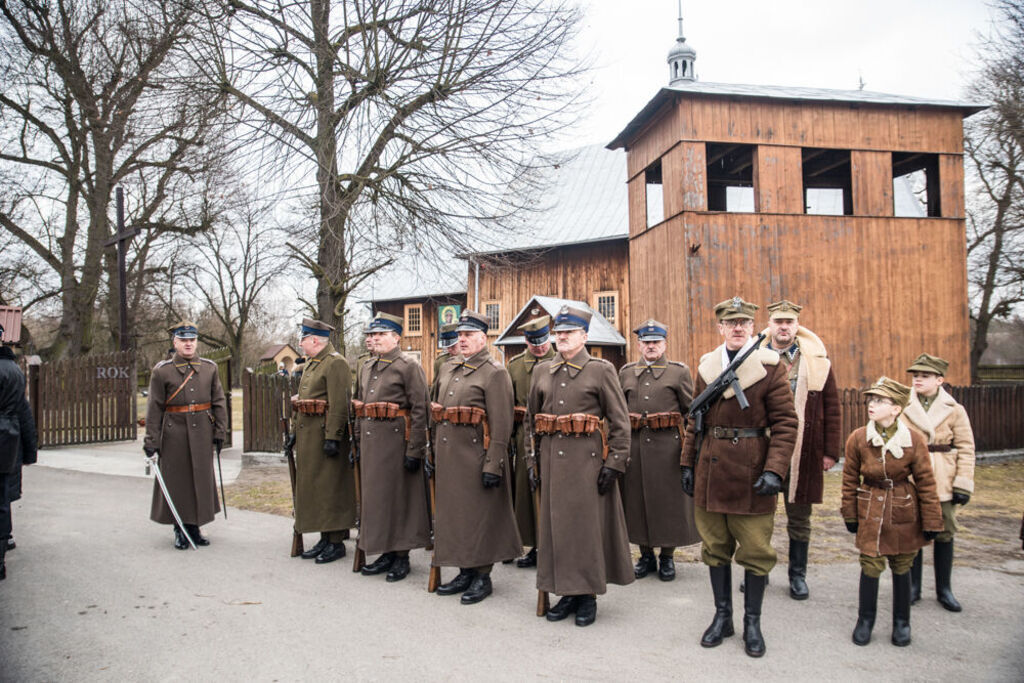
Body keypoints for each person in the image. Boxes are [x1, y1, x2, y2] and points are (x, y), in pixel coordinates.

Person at [680, 296, 798, 658]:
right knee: (714, 549)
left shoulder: (770, 366)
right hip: (711, 470)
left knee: (756, 552)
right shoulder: (707, 366)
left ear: (752, 327)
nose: (736, 328)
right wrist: (687, 463)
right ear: (720, 328)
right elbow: (693, 421)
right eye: (730, 323)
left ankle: (752, 623)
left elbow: (785, 424)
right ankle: (723, 617)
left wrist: (775, 470)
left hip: (753, 473)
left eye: (743, 323)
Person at [526, 305, 633, 627]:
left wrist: (614, 462)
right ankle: (565, 592)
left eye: (568, 333)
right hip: (550, 461)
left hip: (587, 463)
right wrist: (532, 460)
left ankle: (586, 595)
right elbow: (532, 421)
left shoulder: (601, 370)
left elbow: (619, 421)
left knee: (584, 531)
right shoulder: (542, 371)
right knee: (557, 531)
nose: (561, 338)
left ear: (584, 336)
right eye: (558, 333)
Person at [841, 377, 943, 647]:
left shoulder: (914, 440)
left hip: (903, 507)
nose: (872, 405)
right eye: (871, 400)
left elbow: (926, 482)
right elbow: (849, 479)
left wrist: (932, 519)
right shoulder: (859, 438)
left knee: (902, 564)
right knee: (870, 564)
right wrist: (850, 513)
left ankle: (902, 622)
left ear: (896, 408)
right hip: (870, 505)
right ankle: (865, 620)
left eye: (879, 401)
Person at [429, 310, 521, 603]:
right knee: (456, 517)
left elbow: (502, 422)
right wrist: (431, 450)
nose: (463, 339)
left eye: (468, 335)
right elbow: (437, 413)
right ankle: (465, 569)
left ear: (484, 338)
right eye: (460, 335)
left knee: (480, 517)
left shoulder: (495, 372)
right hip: (449, 455)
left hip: (476, 457)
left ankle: (482, 575)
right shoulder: (448, 368)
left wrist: (494, 462)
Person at [756, 300, 841, 600]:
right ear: (769, 324)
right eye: (778, 321)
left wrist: (830, 451)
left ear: (796, 326)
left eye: (788, 322)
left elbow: (831, 407)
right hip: (762, 448)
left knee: (800, 517)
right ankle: (758, 572)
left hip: (802, 451)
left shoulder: (816, 361)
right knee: (758, 515)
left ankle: (797, 575)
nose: (783, 327)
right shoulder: (755, 356)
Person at [353, 312, 431, 582]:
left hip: (398, 443)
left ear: (396, 337)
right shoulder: (366, 367)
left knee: (400, 501)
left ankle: (401, 555)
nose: (373, 339)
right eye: (371, 335)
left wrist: (415, 449)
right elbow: (359, 407)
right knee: (378, 501)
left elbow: (421, 409)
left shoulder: (407, 366)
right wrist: (358, 439)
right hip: (372, 442)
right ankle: (385, 550)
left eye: (380, 334)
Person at [618, 319, 697, 582]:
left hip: (668, 448)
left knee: (668, 504)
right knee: (636, 501)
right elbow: (616, 411)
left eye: (656, 342)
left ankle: (667, 557)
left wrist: (688, 447)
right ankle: (646, 556)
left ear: (664, 344)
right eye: (646, 342)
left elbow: (691, 411)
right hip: (635, 446)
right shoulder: (626, 373)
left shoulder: (679, 373)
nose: (651, 346)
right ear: (639, 345)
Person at [143, 320, 228, 549]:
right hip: (174, 433)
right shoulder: (162, 371)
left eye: (192, 340)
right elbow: (154, 408)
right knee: (178, 482)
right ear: (175, 342)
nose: (189, 344)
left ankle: (195, 526)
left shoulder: (210, 368)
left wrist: (220, 432)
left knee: (200, 480)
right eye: (184, 340)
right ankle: (180, 528)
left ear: (196, 341)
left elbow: (218, 401)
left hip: (202, 431)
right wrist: (151, 441)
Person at [901, 353, 975, 612]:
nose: (918, 380)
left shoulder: (955, 410)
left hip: (943, 476)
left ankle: (944, 589)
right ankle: (913, 586)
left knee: (944, 532)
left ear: (939, 380)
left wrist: (963, 483)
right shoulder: (903, 405)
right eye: (916, 376)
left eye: (925, 376)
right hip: (912, 476)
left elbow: (966, 447)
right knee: (914, 531)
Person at [289, 318, 355, 564]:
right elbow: (303, 401)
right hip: (309, 437)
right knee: (316, 488)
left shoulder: (335, 363)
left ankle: (336, 541)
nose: (301, 343)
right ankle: (325, 538)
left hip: (325, 436)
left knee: (331, 488)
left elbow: (340, 403)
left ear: (314, 340)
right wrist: (295, 431)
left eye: (303, 339)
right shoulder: (312, 363)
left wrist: (333, 437)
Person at [506, 314, 555, 569]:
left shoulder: (560, 361)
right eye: (535, 342)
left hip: (555, 435)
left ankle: (554, 545)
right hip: (524, 435)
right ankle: (534, 545)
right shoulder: (513, 366)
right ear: (526, 340)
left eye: (544, 340)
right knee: (526, 492)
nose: (540, 346)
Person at [0, 323, 38, 580]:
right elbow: (24, 412)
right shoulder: (13, 370)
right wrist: (29, 450)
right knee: (2, 497)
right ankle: (3, 547)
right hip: (8, 437)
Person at [430, 323, 460, 401]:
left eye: (453, 346)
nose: (449, 349)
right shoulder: (441, 361)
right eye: (447, 346)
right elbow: (435, 388)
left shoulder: (470, 359)